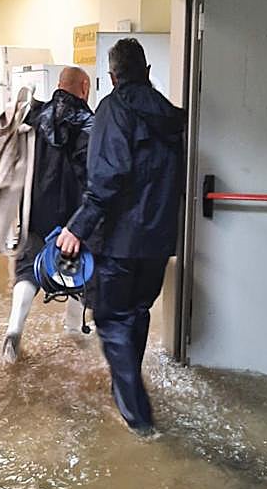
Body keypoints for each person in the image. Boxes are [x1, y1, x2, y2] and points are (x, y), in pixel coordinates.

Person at [57, 39, 185, 436]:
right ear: (146, 72)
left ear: (112, 77)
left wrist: (78, 226)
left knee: (111, 320)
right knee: (138, 313)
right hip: (158, 242)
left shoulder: (113, 109)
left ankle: (137, 417)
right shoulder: (170, 115)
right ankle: (128, 389)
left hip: (119, 242)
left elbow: (107, 178)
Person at [0, 66, 94, 363]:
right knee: (79, 268)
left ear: (59, 84)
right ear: (85, 87)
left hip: (35, 208)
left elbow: (5, 132)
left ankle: (14, 330)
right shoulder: (90, 124)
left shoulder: (35, 116)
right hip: (74, 212)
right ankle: (74, 331)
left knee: (28, 267)